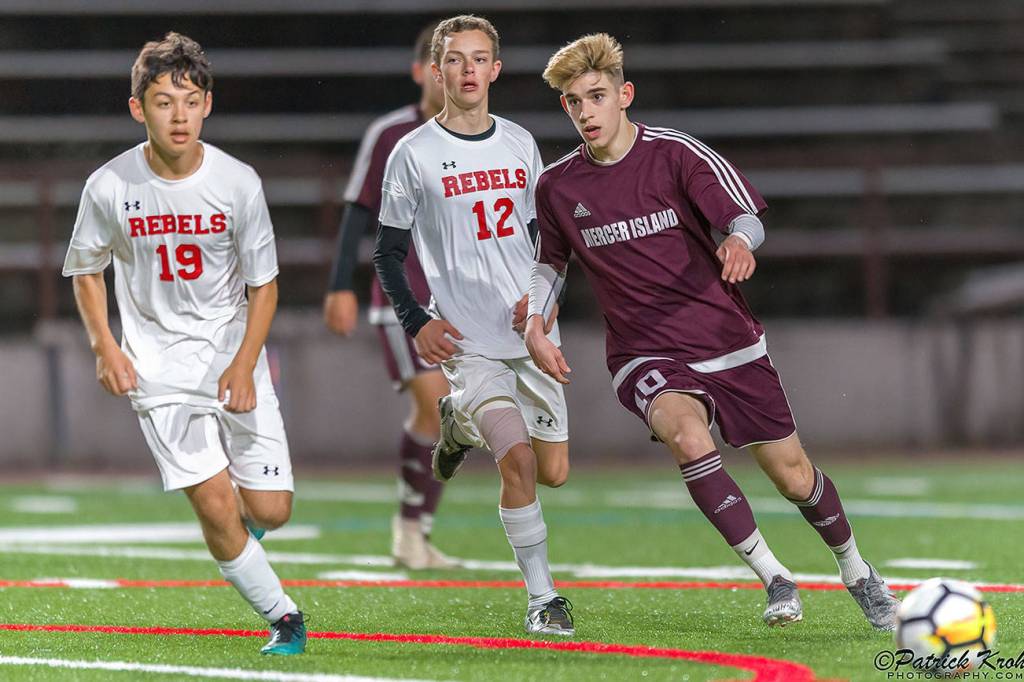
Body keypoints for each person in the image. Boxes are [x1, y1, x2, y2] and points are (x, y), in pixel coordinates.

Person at [525, 33, 900, 630]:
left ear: (625, 95)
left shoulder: (676, 154)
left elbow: (743, 215)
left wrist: (738, 241)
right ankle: (775, 577)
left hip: (727, 340)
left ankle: (858, 573)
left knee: (793, 475)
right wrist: (535, 323)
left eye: (596, 96)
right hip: (642, 351)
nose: (585, 112)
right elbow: (550, 263)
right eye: (573, 102)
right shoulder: (557, 186)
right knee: (686, 435)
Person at [62, 33, 305, 654]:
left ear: (208, 105)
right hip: (158, 372)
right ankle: (284, 617)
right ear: (137, 108)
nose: (179, 115)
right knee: (216, 504)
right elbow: (86, 269)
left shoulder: (237, 182)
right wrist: (105, 347)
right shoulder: (109, 185)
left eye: (190, 101)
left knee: (272, 509)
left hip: (231, 361)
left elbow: (265, 285)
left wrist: (247, 364)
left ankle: (240, 541)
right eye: (164, 102)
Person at [373, 15, 574, 636]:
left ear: (495, 69)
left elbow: (549, 243)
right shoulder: (412, 153)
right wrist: (416, 321)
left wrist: (549, 302)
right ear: (438, 71)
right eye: (454, 59)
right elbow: (386, 252)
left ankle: (456, 425)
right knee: (515, 460)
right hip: (468, 341)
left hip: (530, 334)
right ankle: (544, 599)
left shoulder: (519, 143)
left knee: (552, 470)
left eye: (478, 58)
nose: (467, 70)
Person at [324, 24, 459, 571]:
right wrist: (340, 285)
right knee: (437, 402)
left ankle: (416, 530)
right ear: (420, 70)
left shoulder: (482, 138)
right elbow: (359, 208)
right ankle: (408, 532)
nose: (447, 73)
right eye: (438, 62)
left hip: (461, 297)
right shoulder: (390, 134)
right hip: (403, 293)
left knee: (455, 414)